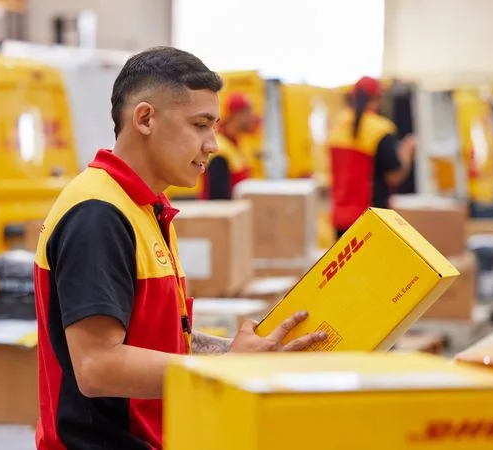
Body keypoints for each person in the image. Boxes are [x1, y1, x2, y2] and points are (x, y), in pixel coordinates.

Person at [32, 46, 327, 450]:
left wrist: (248, 353)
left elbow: (159, 343)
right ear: (145, 118)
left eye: (214, 127)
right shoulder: (98, 214)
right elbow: (97, 365)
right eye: (200, 125)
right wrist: (225, 367)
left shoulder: (142, 207)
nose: (213, 145)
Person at [328, 76, 416, 238]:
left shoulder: (337, 124)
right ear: (379, 98)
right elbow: (394, 176)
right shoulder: (380, 130)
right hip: (369, 218)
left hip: (340, 218)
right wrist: (406, 152)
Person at [199, 93, 258, 199]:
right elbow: (218, 200)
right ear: (237, 115)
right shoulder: (219, 149)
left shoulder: (235, 145)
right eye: (248, 111)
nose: (253, 117)